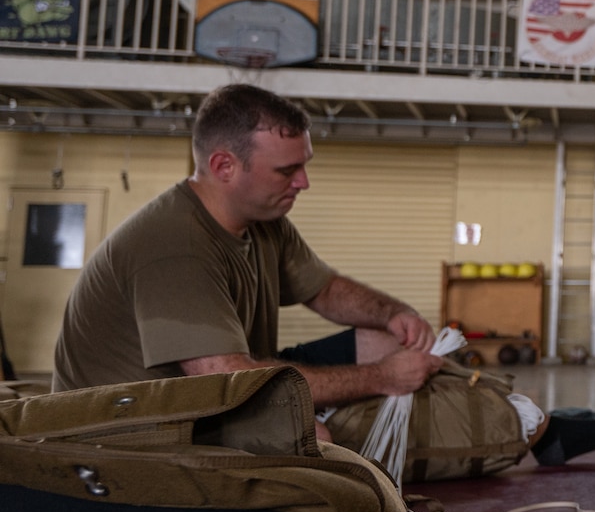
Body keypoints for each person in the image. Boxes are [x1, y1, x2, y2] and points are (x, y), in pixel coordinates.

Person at [54, 84, 444, 402]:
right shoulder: (175, 248)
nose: (303, 182)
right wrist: (381, 378)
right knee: (310, 441)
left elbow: (323, 289)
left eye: (303, 165)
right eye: (287, 171)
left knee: (387, 342)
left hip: (215, 383)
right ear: (225, 166)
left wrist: (392, 312)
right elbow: (228, 380)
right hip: (134, 425)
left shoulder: (265, 220)